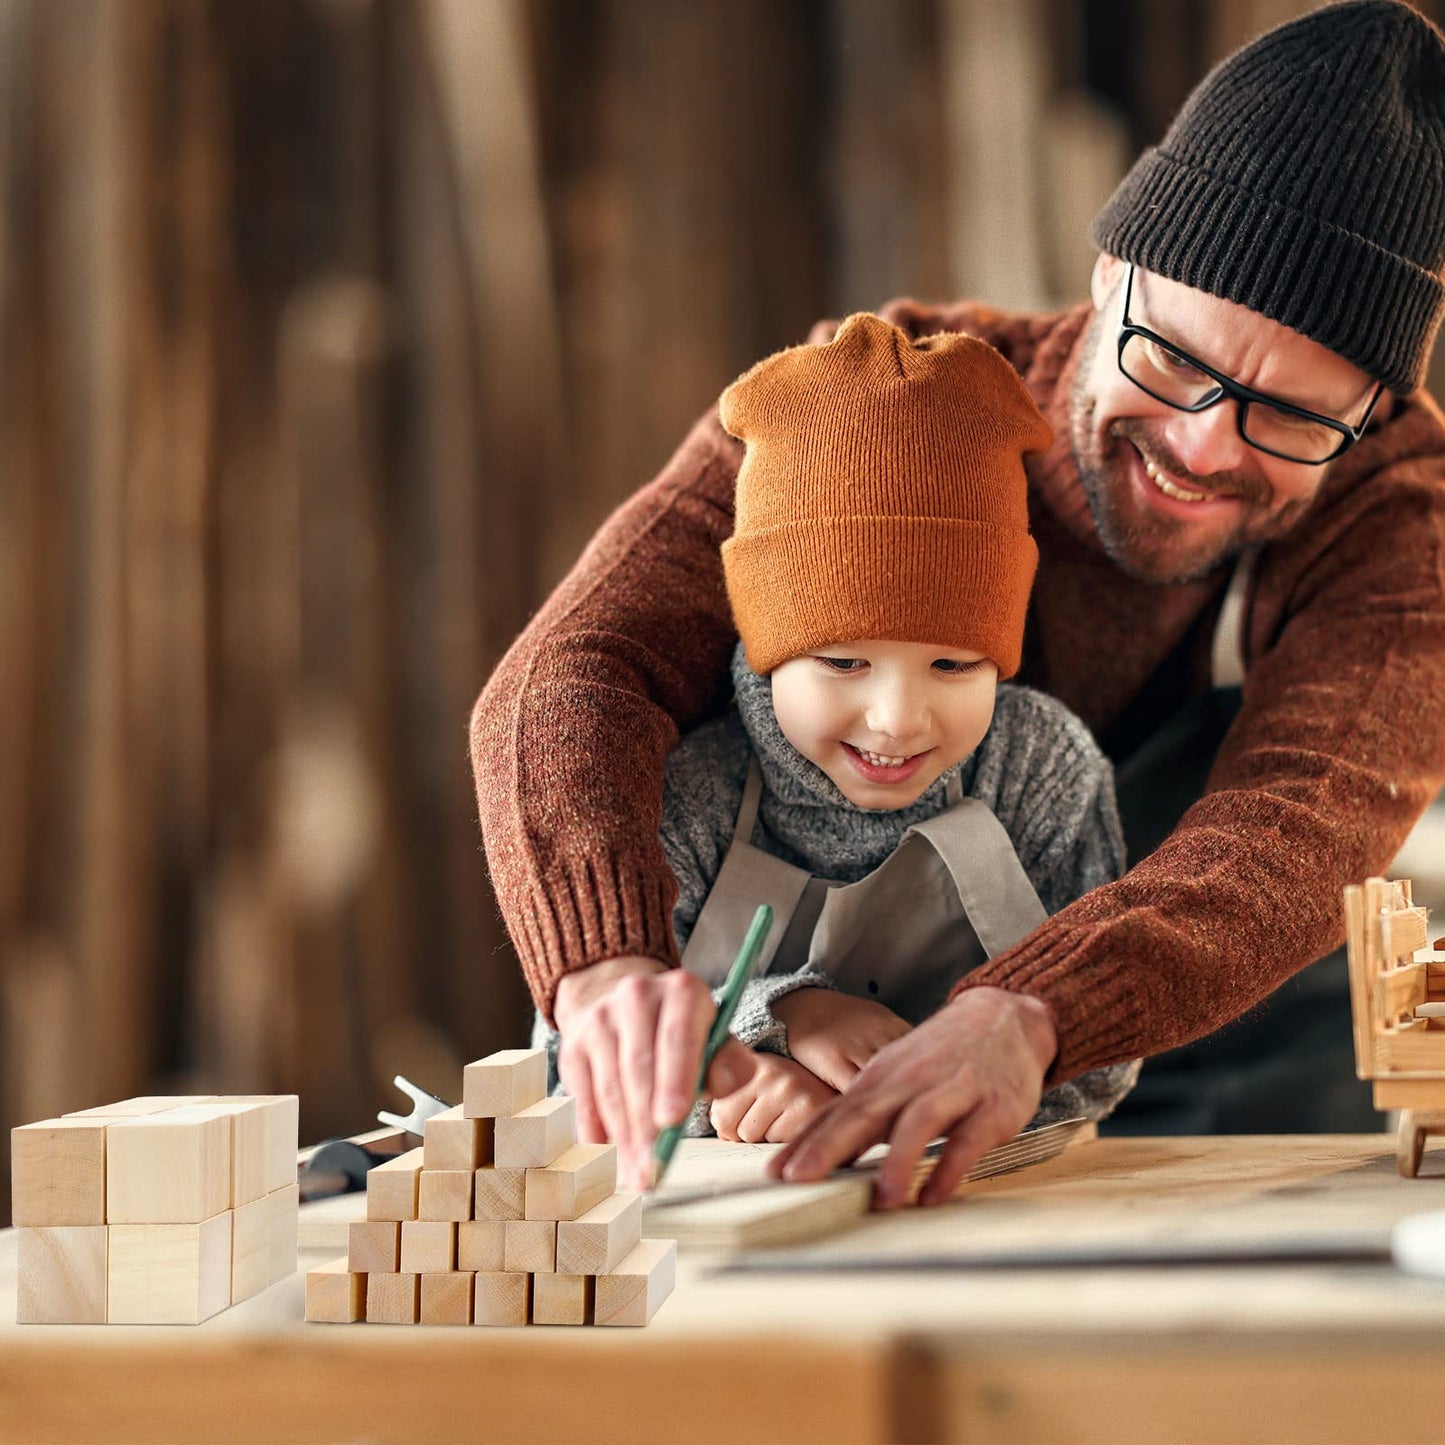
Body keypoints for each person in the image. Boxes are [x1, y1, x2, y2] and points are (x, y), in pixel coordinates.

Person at [471, 0, 1445, 1210]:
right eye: (1175, 359)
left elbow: (1304, 820)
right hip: (841, 1061)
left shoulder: (1398, 515)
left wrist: (1032, 1007)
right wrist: (607, 957)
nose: (1202, 446)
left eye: (1293, 416)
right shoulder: (878, 398)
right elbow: (581, 662)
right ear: (1109, 274)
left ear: (1367, 416)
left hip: (1239, 1074)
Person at [528, 313, 1140, 1189]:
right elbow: (570, 1065)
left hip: (993, 1207)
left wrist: (929, 1091)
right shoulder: (687, 790)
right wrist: (770, 1040)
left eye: (953, 663)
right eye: (843, 661)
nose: (895, 719)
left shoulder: (1042, 771)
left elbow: (1105, 1062)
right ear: (766, 640)